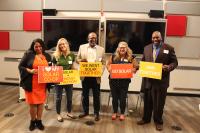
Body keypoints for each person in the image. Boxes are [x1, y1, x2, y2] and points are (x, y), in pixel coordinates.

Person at [137, 31, 178, 131]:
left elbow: (175, 62)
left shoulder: (169, 48)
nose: (155, 39)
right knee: (147, 102)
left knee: (159, 104)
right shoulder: (146, 48)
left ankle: (158, 121)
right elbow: (143, 61)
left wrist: (169, 67)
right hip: (148, 81)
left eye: (157, 38)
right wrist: (139, 66)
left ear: (161, 37)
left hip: (161, 82)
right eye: (154, 38)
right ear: (151, 38)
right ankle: (146, 119)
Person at [18, 38, 51, 131]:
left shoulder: (47, 55)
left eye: (40, 46)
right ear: (33, 46)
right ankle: (33, 121)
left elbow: (50, 67)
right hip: (31, 83)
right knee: (32, 104)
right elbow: (20, 66)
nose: (38, 48)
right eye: (36, 46)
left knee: (41, 103)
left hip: (43, 84)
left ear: (43, 46)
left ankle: (39, 121)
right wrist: (30, 71)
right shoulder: (28, 54)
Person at [76, 32, 105, 121]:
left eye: (94, 38)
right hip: (85, 75)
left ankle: (96, 113)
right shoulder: (82, 47)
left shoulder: (101, 49)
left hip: (96, 76)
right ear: (88, 39)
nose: (93, 39)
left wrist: (101, 71)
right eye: (91, 38)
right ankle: (86, 112)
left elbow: (103, 63)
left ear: (96, 39)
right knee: (85, 95)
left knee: (96, 95)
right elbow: (77, 59)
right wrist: (81, 60)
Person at [106, 41, 138, 121]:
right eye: (120, 47)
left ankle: (122, 113)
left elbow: (137, 66)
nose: (122, 49)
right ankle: (115, 112)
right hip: (113, 81)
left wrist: (134, 70)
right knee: (115, 98)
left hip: (124, 82)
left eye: (124, 47)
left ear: (127, 49)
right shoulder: (113, 56)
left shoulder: (131, 57)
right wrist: (109, 68)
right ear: (118, 48)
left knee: (123, 98)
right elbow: (108, 64)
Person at [52, 38, 76, 122]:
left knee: (69, 97)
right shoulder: (55, 56)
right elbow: (53, 68)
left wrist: (76, 72)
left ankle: (69, 112)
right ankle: (58, 114)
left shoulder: (72, 55)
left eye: (63, 44)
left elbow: (72, 67)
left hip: (68, 79)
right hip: (59, 79)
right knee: (58, 98)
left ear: (67, 44)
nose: (62, 46)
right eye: (60, 44)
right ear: (58, 46)